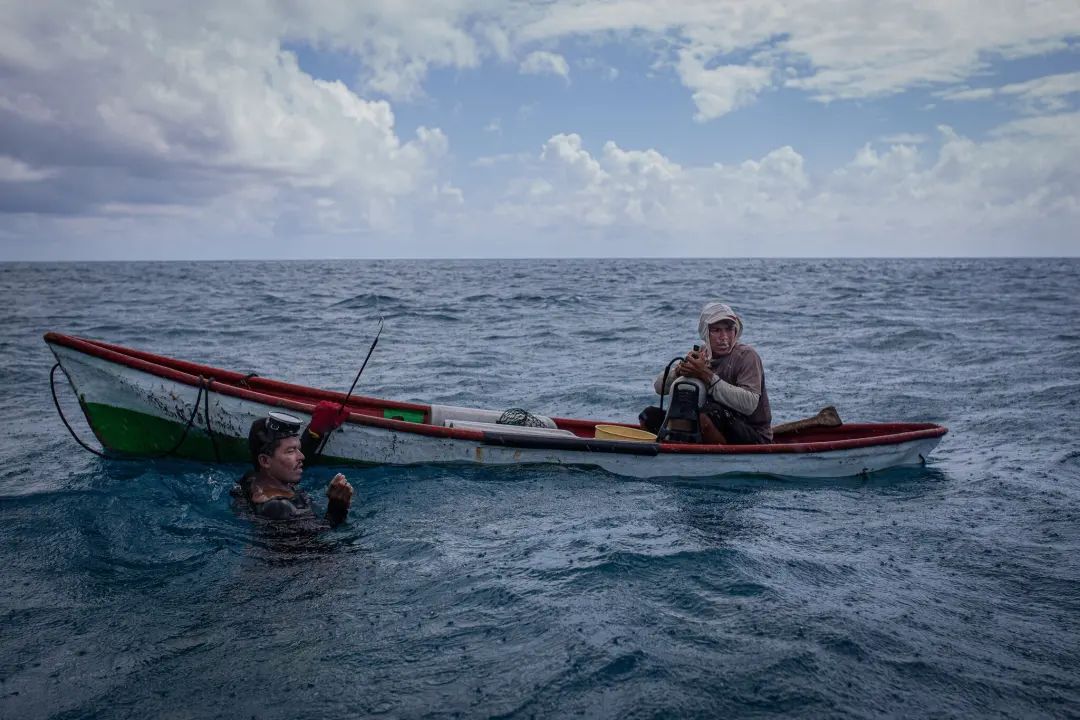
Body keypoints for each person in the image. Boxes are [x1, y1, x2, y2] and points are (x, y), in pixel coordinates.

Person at [641, 302, 772, 444]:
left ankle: (717, 461)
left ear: (736, 330)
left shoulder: (746, 356)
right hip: (708, 425)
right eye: (716, 330)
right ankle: (673, 452)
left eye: (729, 329)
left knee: (706, 416)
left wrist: (706, 376)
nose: (724, 337)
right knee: (648, 416)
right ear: (705, 332)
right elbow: (659, 388)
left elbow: (749, 404)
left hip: (751, 433)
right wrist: (679, 372)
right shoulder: (701, 354)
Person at [233, 402, 354, 526]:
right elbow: (320, 543)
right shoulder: (281, 509)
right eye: (291, 451)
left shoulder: (251, 479)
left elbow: (285, 462)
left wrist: (316, 431)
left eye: (299, 449)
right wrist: (337, 508)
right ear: (265, 461)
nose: (302, 456)